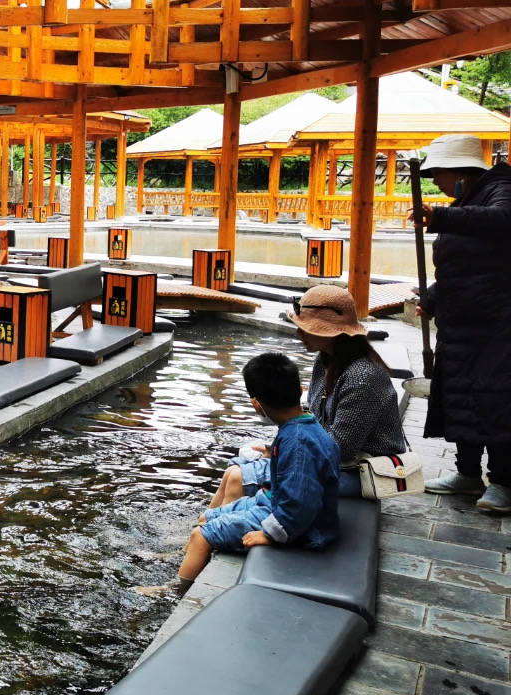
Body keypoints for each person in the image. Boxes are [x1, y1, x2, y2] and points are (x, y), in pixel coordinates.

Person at [138, 352, 341, 598]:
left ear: (256, 403)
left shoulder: (296, 443)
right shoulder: (304, 424)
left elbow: (300, 505)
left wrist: (270, 535)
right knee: (207, 516)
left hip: (305, 530)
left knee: (202, 535)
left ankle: (175, 591)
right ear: (300, 390)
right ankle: (184, 556)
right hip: (275, 505)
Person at [209, 285, 407, 504]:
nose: (298, 333)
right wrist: (274, 448)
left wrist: (281, 453)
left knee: (243, 478)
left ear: (330, 333)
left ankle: (224, 531)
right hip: (335, 461)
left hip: (361, 470)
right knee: (236, 465)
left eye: (305, 328)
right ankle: (207, 528)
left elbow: (339, 449)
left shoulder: (363, 377)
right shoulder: (325, 360)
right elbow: (314, 419)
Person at [409, 133, 511, 513]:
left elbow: (502, 221)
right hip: (461, 320)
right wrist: (432, 299)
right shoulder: (466, 201)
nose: (436, 182)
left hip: (497, 322)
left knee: (495, 397)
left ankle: (503, 480)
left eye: (439, 173)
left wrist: (441, 216)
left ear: (461, 171)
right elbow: (460, 267)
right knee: (461, 397)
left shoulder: (502, 188)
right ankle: (467, 473)